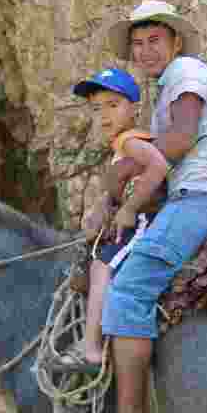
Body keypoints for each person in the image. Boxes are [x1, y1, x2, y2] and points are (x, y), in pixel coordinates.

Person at [68, 0, 207, 413]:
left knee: (130, 288)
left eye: (154, 40)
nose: (144, 51)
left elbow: (179, 143)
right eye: (137, 44)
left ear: (175, 42)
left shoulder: (186, 73)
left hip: (199, 197)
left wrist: (120, 174)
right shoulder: (169, 87)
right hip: (190, 195)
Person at [50, 66, 169, 375]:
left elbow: (159, 166)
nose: (104, 115)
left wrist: (130, 207)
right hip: (136, 217)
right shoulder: (122, 144)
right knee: (97, 261)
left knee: (103, 267)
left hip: (145, 220)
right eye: (96, 108)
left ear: (135, 108)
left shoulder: (130, 141)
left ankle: (91, 348)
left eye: (113, 105)